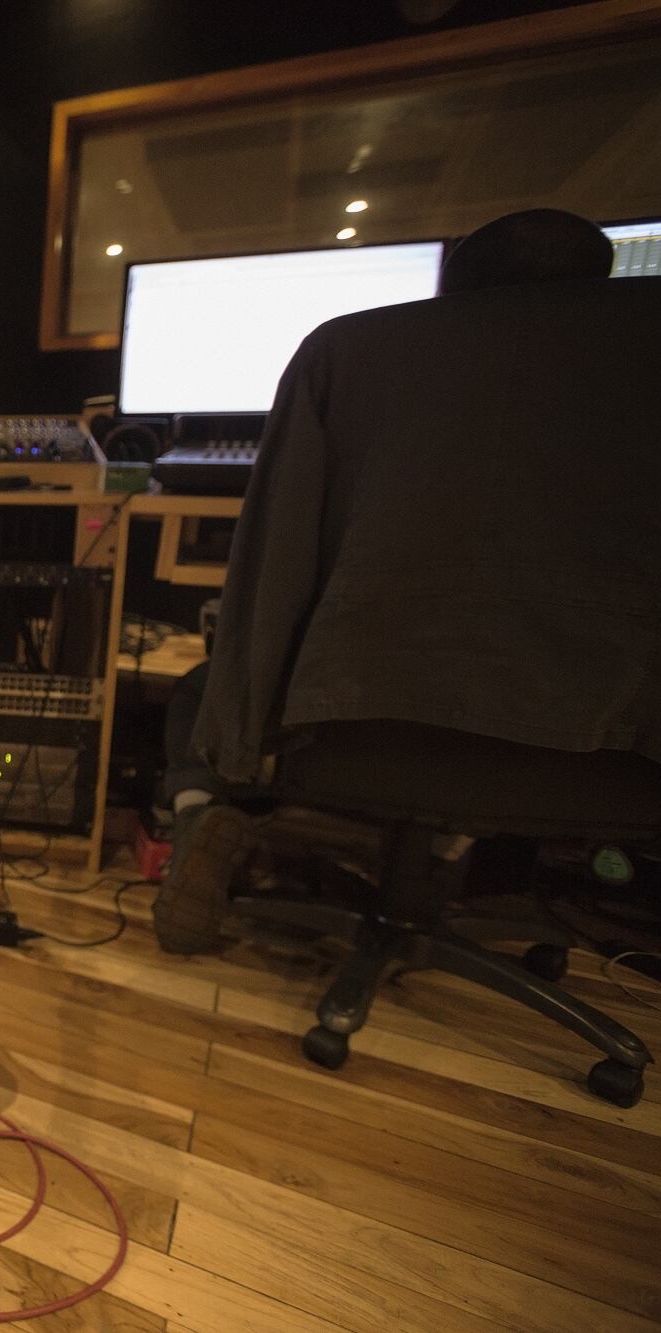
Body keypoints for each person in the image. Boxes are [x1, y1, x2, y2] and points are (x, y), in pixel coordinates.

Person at [152, 208, 626, 954]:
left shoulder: (348, 353)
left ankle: (199, 815)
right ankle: (445, 860)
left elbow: (268, 576)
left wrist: (243, 713)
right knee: (509, 723)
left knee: (197, 687)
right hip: (608, 745)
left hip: (357, 726)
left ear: (449, 289)